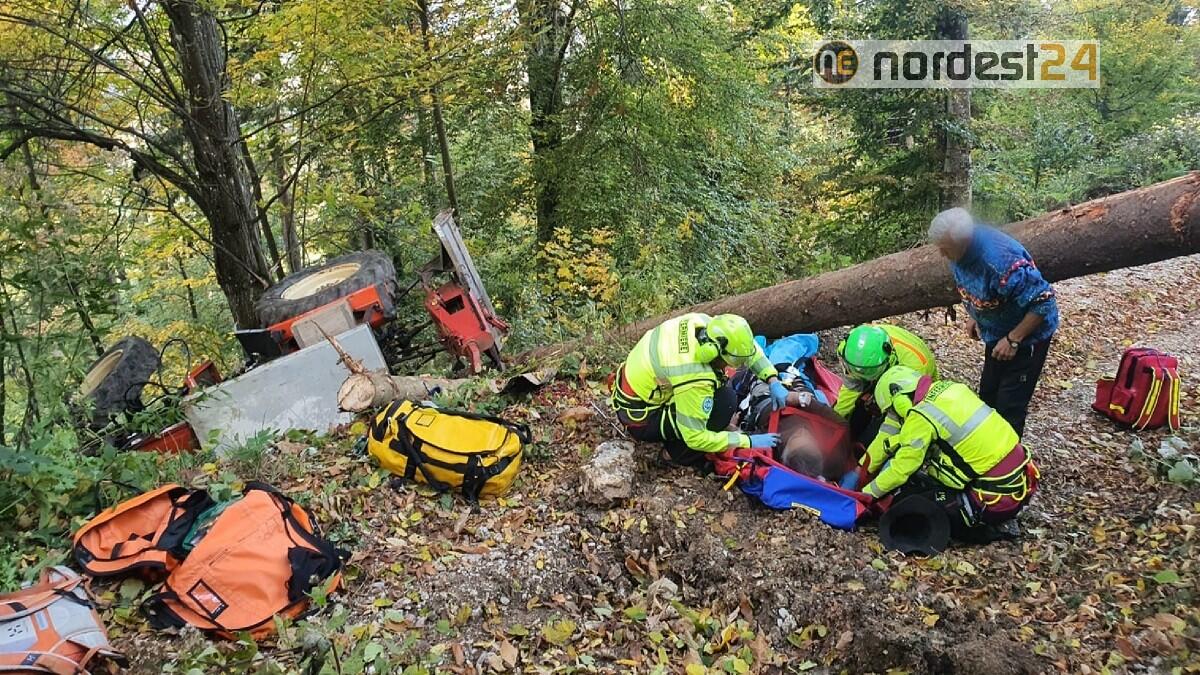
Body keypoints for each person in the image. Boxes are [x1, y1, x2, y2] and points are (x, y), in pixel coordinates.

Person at [850, 366, 1038, 541]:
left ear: (900, 401)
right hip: (1020, 484)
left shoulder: (921, 416)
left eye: (893, 412)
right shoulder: (949, 389)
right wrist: (865, 466)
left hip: (992, 500)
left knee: (906, 503)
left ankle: (988, 528)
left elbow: (901, 469)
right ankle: (1000, 518)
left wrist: (864, 496)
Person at [929, 208, 1059, 435]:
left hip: (1026, 340)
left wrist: (1013, 340)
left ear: (964, 241)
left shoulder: (999, 262)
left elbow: (1044, 302)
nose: (941, 254)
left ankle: (1009, 464)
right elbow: (974, 285)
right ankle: (985, 452)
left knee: (1009, 408)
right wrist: (974, 314)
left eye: (945, 248)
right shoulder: (957, 251)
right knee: (987, 398)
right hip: (996, 333)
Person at [611, 313, 787, 468]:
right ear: (713, 353)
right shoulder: (692, 374)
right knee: (724, 402)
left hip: (636, 390)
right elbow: (695, 437)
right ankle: (674, 455)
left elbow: (748, 350)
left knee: (718, 394)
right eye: (728, 362)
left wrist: (772, 379)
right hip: (639, 418)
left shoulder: (702, 323)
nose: (729, 367)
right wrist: (746, 441)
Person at [834, 324, 939, 464]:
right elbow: (851, 388)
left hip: (908, 386)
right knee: (856, 410)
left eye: (867, 373)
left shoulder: (916, 367)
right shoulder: (850, 350)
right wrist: (834, 419)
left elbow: (893, 424)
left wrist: (865, 466)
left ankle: (862, 456)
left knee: (878, 431)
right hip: (880, 368)